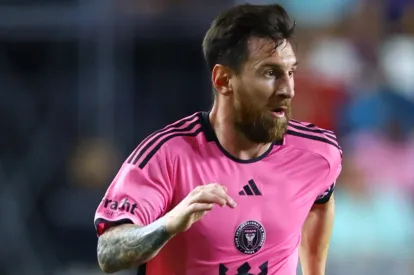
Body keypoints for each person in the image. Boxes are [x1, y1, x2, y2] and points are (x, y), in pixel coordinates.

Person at [94, 4, 342, 275]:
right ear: (223, 80)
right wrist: (168, 223)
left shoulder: (318, 153)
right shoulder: (167, 155)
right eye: (269, 73)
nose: (287, 89)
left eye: (290, 72)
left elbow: (321, 199)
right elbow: (109, 252)